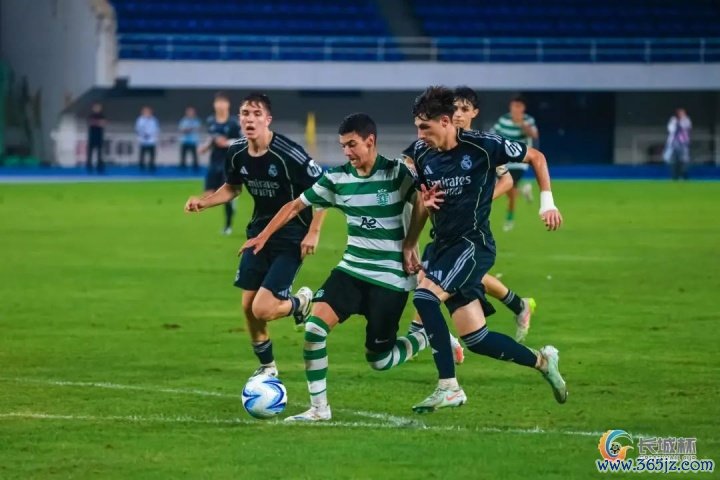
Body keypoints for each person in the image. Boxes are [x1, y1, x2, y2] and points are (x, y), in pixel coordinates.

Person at [242, 113, 427, 422]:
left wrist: (410, 244)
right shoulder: (338, 178)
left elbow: (423, 202)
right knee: (314, 329)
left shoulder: (397, 173)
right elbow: (295, 205)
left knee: (379, 361)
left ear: (370, 141)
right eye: (343, 146)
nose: (347, 152)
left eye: (352, 145)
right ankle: (319, 409)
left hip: (391, 278)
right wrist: (263, 235)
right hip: (352, 270)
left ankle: (423, 336)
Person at [403, 86, 567, 413]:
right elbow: (423, 201)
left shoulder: (483, 146)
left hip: (473, 244)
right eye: (417, 127)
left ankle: (449, 387)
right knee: (477, 339)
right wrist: (410, 242)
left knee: (424, 298)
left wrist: (546, 203)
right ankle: (542, 361)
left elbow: (536, 157)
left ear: (446, 121)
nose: (419, 135)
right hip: (443, 245)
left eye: (425, 127)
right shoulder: (421, 153)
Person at [185, 92, 328, 379]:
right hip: (257, 234)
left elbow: (323, 188)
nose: (250, 119)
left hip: (291, 236)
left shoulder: (288, 154)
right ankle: (267, 368)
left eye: (256, 114)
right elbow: (232, 188)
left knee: (262, 309)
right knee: (247, 306)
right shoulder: (236, 152)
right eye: (245, 114)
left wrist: (313, 232)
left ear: (268, 119)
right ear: (239, 119)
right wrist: (205, 202)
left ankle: (300, 303)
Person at [404, 87, 537, 353]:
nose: (458, 114)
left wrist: (476, 198)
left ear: (474, 113)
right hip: (444, 232)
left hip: (470, 233)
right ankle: (518, 305)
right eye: (455, 108)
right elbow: (411, 165)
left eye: (464, 109)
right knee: (443, 279)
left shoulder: (481, 147)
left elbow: (506, 179)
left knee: (431, 281)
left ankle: (422, 338)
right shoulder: (433, 145)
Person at [492, 95, 539, 231]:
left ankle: (509, 219)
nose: (515, 109)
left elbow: (534, 135)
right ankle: (524, 191)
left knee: (510, 188)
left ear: (523, 108)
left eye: (518, 106)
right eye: (514, 106)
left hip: (519, 162)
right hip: (502, 161)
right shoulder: (503, 120)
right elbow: (493, 134)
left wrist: (522, 124)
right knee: (504, 187)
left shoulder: (528, 120)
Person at [198, 93, 242, 235]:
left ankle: (228, 226)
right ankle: (231, 201)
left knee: (226, 196)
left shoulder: (234, 123)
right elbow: (212, 139)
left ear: (227, 105)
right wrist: (205, 147)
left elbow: (243, 141)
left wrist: (227, 142)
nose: (220, 105)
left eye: (223, 102)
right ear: (214, 105)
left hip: (228, 163)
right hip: (214, 161)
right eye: (218, 102)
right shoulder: (211, 121)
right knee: (208, 194)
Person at [663, 108, 692, 180]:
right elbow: (671, 129)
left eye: (683, 113)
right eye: (680, 113)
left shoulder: (686, 120)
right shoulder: (673, 120)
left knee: (684, 160)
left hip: (683, 143)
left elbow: (687, 127)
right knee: (673, 160)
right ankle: (675, 176)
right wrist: (676, 122)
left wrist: (681, 121)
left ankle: (684, 175)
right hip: (673, 143)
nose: (682, 114)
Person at [135, 106, 159, 173]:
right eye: (145, 112)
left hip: (152, 140)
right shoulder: (140, 120)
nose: (147, 113)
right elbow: (138, 129)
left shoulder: (154, 120)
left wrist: (153, 135)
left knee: (152, 154)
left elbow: (156, 129)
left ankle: (151, 166)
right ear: (143, 113)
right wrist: (143, 134)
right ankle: (141, 166)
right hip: (143, 139)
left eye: (148, 112)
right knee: (142, 154)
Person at [178, 106, 201, 172]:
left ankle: (196, 171)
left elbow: (197, 128)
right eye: (189, 112)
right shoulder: (183, 120)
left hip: (193, 141)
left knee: (195, 158)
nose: (190, 113)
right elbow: (182, 130)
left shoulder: (196, 121)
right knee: (183, 158)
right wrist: (189, 129)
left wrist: (188, 129)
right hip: (184, 141)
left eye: (192, 112)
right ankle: (182, 171)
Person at [86, 103, 107, 174]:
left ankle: (99, 166)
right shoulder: (90, 116)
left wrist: (95, 122)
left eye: (98, 108)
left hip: (99, 136)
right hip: (92, 136)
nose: (97, 109)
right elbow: (90, 123)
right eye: (96, 108)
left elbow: (103, 123)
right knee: (90, 152)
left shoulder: (102, 116)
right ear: (93, 108)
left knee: (99, 153)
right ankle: (89, 166)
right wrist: (98, 123)